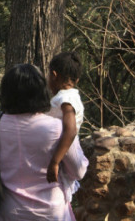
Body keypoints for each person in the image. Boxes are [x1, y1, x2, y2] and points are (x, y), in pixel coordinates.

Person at [0, 64, 88, 220]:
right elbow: (78, 171)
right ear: (41, 91)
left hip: (9, 212)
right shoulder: (57, 128)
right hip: (51, 213)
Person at [46, 51, 85, 186]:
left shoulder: (65, 98)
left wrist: (55, 162)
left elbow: (70, 130)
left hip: (65, 149)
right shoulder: (72, 96)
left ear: (54, 75)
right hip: (64, 148)